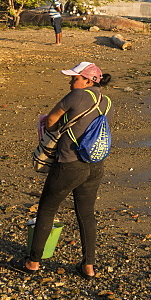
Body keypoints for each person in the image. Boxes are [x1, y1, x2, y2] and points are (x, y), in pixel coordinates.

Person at [20, 62, 112, 278]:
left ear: (89, 81)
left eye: (75, 78)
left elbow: (51, 119)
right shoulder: (108, 103)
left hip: (69, 164)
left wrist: (52, 132)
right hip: (94, 165)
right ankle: (88, 266)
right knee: (86, 214)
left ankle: (33, 262)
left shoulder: (77, 96)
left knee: (47, 209)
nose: (71, 82)